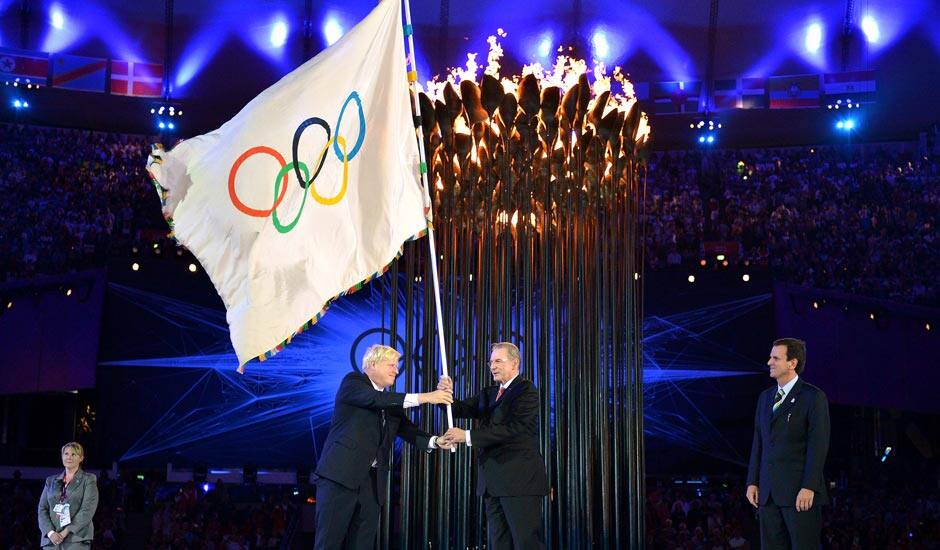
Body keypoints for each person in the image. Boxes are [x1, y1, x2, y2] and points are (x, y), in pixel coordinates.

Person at [313, 344, 455, 550]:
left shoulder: (391, 403)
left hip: (373, 483)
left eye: (396, 366)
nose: (396, 370)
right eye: (391, 365)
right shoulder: (353, 382)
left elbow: (408, 430)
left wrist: (436, 441)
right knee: (329, 543)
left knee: (362, 544)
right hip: (340, 477)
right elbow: (375, 399)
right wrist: (427, 397)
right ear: (372, 365)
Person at [439, 342, 549, 550]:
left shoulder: (526, 391)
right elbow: (459, 409)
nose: (492, 366)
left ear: (515, 363)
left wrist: (468, 435)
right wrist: (444, 396)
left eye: (498, 361)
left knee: (526, 543)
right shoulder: (489, 393)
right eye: (491, 362)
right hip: (493, 483)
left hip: (519, 482)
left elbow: (513, 429)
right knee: (499, 543)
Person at [746, 338, 830, 549]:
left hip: (799, 494)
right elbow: (759, 442)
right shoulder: (764, 398)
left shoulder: (813, 397)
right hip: (768, 494)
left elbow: (818, 445)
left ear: (792, 363)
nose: (769, 362)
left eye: (775, 358)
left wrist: (809, 486)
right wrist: (752, 481)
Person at [38, 442, 99, 549]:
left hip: (76, 539)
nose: (69, 457)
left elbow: (87, 510)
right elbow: (42, 509)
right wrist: (51, 532)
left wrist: (65, 532)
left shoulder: (88, 479)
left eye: (73, 454)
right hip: (51, 541)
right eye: (66, 454)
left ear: (81, 458)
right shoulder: (50, 481)